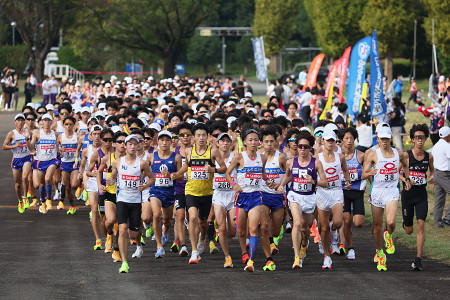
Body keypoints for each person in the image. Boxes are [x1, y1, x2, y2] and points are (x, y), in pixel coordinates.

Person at [172, 123, 226, 264]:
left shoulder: (213, 151)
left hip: (207, 192)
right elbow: (186, 165)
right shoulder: (189, 151)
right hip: (190, 191)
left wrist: (212, 170)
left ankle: (202, 239)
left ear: (207, 137)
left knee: (203, 222)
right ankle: (194, 252)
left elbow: (224, 168)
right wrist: (177, 174)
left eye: (203, 135)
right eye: (198, 135)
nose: (201, 138)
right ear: (193, 138)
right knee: (193, 218)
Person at [362, 126, 410, 271]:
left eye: (386, 138)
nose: (384, 141)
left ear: (390, 138)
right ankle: (380, 253)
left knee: (391, 223)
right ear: (377, 139)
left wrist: (406, 178)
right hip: (377, 191)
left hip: (392, 191)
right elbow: (363, 174)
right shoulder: (372, 154)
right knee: (377, 226)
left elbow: (406, 165)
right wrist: (370, 171)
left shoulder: (398, 153)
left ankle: (387, 235)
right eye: (381, 139)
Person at [277, 130, 327, 268]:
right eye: (300, 146)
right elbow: (288, 176)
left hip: (310, 197)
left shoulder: (316, 163)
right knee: (297, 224)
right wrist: (281, 185)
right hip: (295, 195)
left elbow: (325, 182)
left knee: (305, 228)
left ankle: (305, 243)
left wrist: (314, 181)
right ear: (296, 147)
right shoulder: (290, 162)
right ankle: (296, 257)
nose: (302, 149)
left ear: (310, 148)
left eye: (305, 146)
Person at [106, 134, 154, 273]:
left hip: (136, 201)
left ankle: (138, 243)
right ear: (125, 146)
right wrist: (110, 181)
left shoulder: (142, 163)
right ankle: (125, 262)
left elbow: (152, 178)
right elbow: (113, 177)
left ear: (138, 146)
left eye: (135, 144)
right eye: (130, 144)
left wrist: (144, 186)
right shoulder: (118, 162)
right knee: (121, 229)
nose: (133, 147)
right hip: (122, 200)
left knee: (133, 234)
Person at [225, 126, 267, 272]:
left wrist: (270, 183)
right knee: (241, 232)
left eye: (256, 139)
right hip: (241, 196)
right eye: (250, 140)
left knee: (254, 229)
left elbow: (263, 174)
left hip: (256, 195)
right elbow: (227, 173)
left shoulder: (263, 157)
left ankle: (251, 261)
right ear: (244, 142)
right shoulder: (239, 157)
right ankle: (244, 252)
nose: (254, 142)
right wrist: (233, 184)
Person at [315, 128, 351, 269]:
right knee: (323, 228)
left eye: (332, 140)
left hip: (336, 191)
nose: (330, 143)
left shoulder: (340, 156)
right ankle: (326, 256)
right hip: (322, 192)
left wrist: (347, 181)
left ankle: (333, 230)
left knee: (338, 222)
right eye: (327, 140)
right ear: (323, 141)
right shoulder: (317, 157)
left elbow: (346, 170)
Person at [401, 124, 434, 271]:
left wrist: (432, 177)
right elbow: (396, 172)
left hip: (421, 195)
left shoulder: (429, 156)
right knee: (409, 230)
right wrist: (406, 180)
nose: (420, 140)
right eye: (417, 137)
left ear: (426, 139)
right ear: (413, 139)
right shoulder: (406, 156)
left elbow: (432, 171)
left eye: (422, 137)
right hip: (408, 195)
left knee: (421, 224)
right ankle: (405, 222)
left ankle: (418, 259)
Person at [149, 130, 182, 258]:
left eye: (167, 140)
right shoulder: (152, 156)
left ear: (170, 142)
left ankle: (165, 231)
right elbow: (145, 171)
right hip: (155, 192)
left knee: (167, 221)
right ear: (158, 141)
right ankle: (159, 246)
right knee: (156, 215)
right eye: (162, 140)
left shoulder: (176, 157)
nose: (164, 142)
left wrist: (173, 176)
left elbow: (181, 176)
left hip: (169, 193)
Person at [259, 127, 287, 271]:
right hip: (262, 194)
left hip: (277, 196)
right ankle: (268, 259)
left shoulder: (281, 157)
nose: (269, 144)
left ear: (276, 142)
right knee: (264, 227)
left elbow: (289, 174)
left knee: (275, 231)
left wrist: (281, 185)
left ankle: (272, 240)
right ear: (262, 143)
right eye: (266, 141)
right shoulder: (258, 156)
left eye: (271, 141)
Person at [96, 131, 127, 262]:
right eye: (119, 142)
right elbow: (98, 171)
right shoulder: (107, 158)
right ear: (114, 144)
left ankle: (116, 250)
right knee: (109, 221)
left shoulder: (130, 159)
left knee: (121, 227)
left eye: (125, 142)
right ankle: (109, 234)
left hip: (124, 195)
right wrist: (99, 185)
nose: (122, 144)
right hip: (110, 193)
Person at [339, 127, 366, 259]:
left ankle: (347, 241)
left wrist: (373, 189)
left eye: (351, 138)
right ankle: (350, 248)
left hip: (357, 193)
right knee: (347, 220)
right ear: (342, 140)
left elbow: (367, 173)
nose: (349, 141)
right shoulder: (338, 157)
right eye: (346, 138)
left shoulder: (361, 155)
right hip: (343, 192)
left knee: (358, 223)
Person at [212, 132, 236, 268]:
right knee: (222, 228)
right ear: (218, 143)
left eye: (228, 141)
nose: (225, 143)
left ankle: (227, 225)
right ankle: (227, 257)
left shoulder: (235, 158)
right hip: (219, 195)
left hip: (232, 195)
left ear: (231, 144)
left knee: (232, 232)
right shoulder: (213, 158)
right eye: (222, 141)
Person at [28, 113, 59, 214]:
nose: (46, 122)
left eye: (48, 120)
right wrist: (26, 139)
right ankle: (43, 202)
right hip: (40, 161)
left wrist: (60, 152)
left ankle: (49, 200)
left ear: (51, 122)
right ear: (41, 122)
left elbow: (57, 148)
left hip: (52, 160)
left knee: (47, 179)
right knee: (41, 184)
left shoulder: (55, 134)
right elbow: (31, 146)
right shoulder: (37, 133)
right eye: (44, 120)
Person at [2, 114, 32, 212]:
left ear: (24, 122)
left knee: (25, 177)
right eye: (18, 120)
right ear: (15, 122)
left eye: (22, 120)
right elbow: (4, 146)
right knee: (18, 184)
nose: (20, 122)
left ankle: (25, 198)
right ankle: (20, 201)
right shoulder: (11, 133)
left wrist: (28, 140)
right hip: (16, 159)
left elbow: (32, 145)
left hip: (26, 158)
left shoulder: (28, 132)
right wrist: (14, 146)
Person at [80, 125, 104, 250]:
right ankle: (98, 239)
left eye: (99, 134)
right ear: (90, 135)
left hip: (105, 183)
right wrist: (81, 172)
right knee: (94, 210)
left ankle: (108, 235)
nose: (97, 136)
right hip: (92, 182)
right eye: (94, 134)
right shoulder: (86, 150)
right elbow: (83, 164)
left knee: (105, 216)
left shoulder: (107, 150)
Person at [173, 123, 192, 257]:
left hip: (194, 189)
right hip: (178, 189)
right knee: (179, 215)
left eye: (188, 135)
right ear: (179, 137)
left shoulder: (196, 151)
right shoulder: (174, 152)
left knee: (193, 218)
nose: (185, 137)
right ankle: (183, 246)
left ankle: (199, 242)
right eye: (182, 135)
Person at [57, 116, 79, 214]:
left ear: (74, 125)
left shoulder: (77, 136)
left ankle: (79, 187)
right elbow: (55, 148)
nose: (68, 126)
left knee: (74, 185)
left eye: (70, 124)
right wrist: (60, 151)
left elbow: (81, 148)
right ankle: (71, 205)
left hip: (74, 163)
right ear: (63, 125)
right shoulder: (60, 137)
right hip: (65, 163)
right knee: (67, 187)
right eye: (66, 124)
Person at [431, 126, 450, 228]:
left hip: (437, 174)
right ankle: (448, 218)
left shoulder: (436, 146)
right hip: (444, 175)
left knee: (439, 200)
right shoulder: (446, 146)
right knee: (439, 199)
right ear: (448, 135)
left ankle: (438, 223)